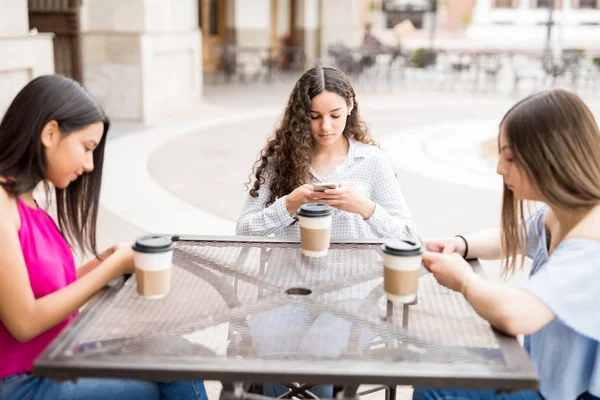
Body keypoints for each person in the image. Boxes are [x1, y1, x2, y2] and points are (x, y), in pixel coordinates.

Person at [0, 75, 207, 400]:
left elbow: (48, 291)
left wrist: (103, 262)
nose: (89, 164)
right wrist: (108, 271)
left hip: (59, 357)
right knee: (160, 382)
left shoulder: (27, 200)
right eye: (86, 148)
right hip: (21, 383)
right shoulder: (2, 203)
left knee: (175, 352)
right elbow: (24, 321)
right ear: (50, 133)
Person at [414, 89, 600, 400]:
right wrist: (461, 245)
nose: (500, 168)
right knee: (435, 371)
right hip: (540, 374)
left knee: (436, 387)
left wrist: (463, 279)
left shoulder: (592, 240)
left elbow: (518, 315)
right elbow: (513, 237)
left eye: (510, 157)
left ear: (551, 158)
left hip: (567, 394)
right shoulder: (564, 210)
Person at [236, 65, 416, 241]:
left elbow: (408, 236)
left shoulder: (373, 160)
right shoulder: (282, 158)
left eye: (335, 115)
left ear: (350, 105)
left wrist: (365, 208)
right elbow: (243, 230)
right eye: (314, 117)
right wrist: (289, 204)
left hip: (355, 271)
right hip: (289, 271)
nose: (326, 126)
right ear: (301, 115)